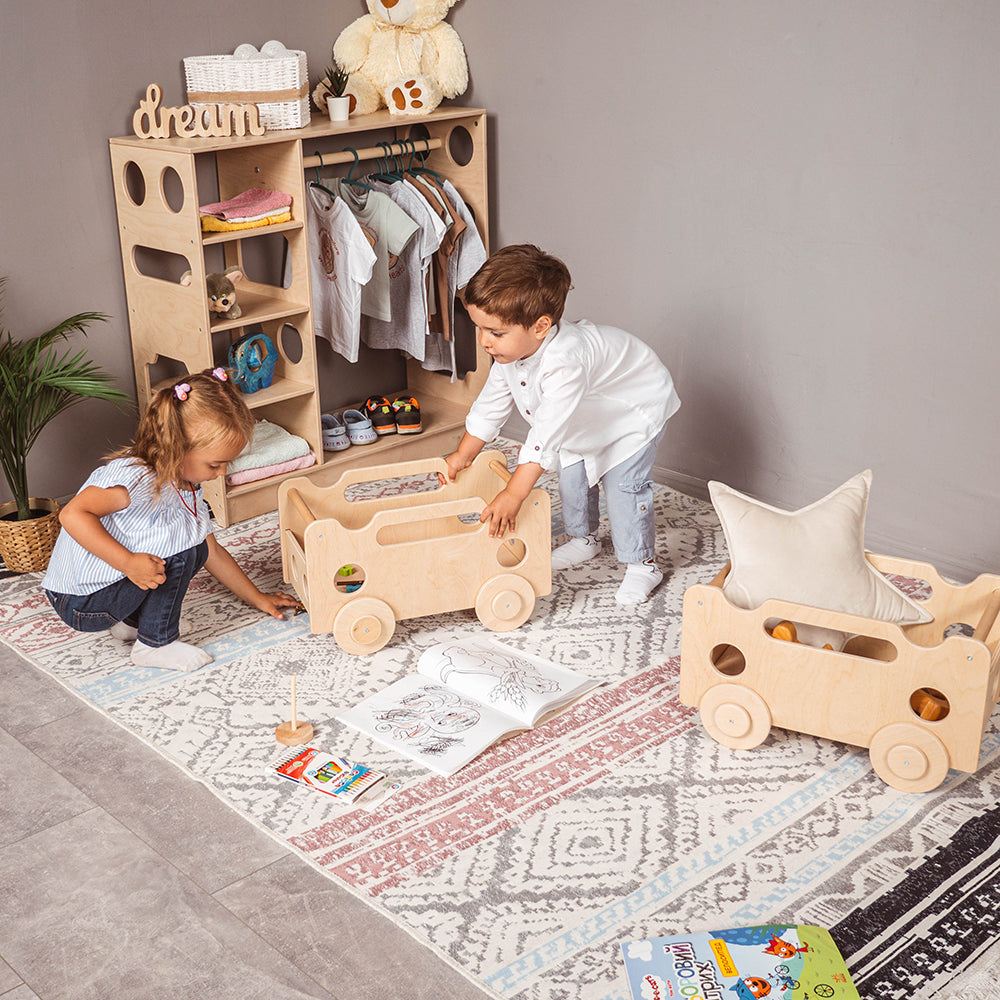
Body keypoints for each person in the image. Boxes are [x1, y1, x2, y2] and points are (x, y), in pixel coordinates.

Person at [444, 245, 681, 606]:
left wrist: (514, 493)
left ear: (541, 326)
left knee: (623, 488)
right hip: (586, 420)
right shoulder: (510, 353)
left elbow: (545, 436)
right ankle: (583, 539)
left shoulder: (566, 360)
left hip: (632, 414)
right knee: (572, 474)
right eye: (479, 328)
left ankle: (642, 564)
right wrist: (464, 454)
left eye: (495, 332)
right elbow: (492, 404)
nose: (484, 341)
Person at [42, 368, 300, 671]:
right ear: (177, 449)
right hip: (80, 601)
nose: (222, 473)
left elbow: (211, 551)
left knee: (196, 547)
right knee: (181, 553)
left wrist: (258, 598)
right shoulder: (132, 481)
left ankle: (132, 624)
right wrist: (127, 562)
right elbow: (72, 514)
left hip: (108, 591)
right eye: (215, 464)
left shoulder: (186, 484)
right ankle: (155, 644)